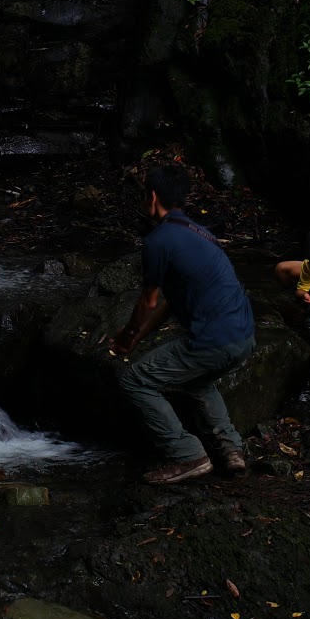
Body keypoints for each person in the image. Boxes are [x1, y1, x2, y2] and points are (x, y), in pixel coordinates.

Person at [109, 166, 255, 485]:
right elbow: (170, 303)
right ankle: (231, 451)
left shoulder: (158, 240)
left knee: (135, 380)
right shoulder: (200, 232)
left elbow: (148, 302)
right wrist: (136, 339)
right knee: (198, 381)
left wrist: (126, 334)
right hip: (244, 336)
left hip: (212, 341)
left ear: (152, 197)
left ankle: (187, 455)